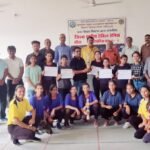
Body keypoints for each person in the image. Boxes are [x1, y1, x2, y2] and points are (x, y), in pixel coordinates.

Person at [0, 58, 8, 122]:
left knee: (3, 101)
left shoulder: (3, 62)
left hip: (2, 83)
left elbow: (6, 71)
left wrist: (3, 79)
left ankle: (2, 116)